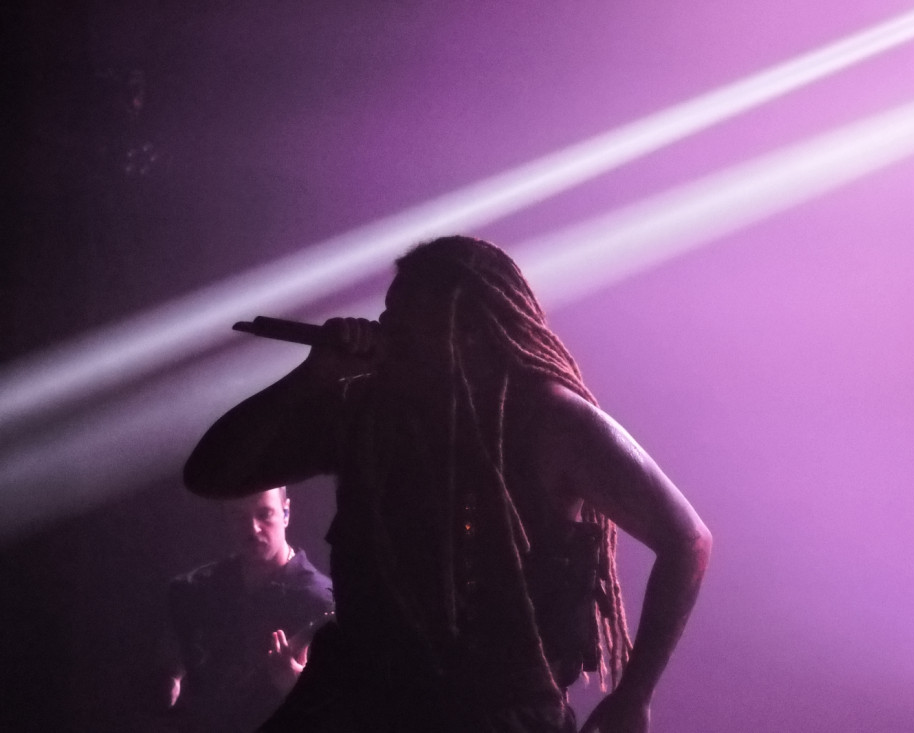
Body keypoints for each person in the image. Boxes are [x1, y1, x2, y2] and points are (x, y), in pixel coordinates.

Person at [184, 236, 711, 733]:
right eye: (389, 314)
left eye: (408, 319)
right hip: (360, 693)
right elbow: (211, 475)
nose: (387, 329)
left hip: (498, 709)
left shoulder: (550, 421)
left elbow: (687, 539)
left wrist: (634, 695)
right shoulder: (365, 411)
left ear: (469, 331)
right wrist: (312, 376)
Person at [161, 486, 334, 732]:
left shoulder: (321, 600)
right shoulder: (196, 589)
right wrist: (173, 675)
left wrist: (296, 687)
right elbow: (175, 659)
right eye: (239, 517)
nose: (252, 529)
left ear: (285, 513)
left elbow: (344, 711)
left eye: (264, 514)